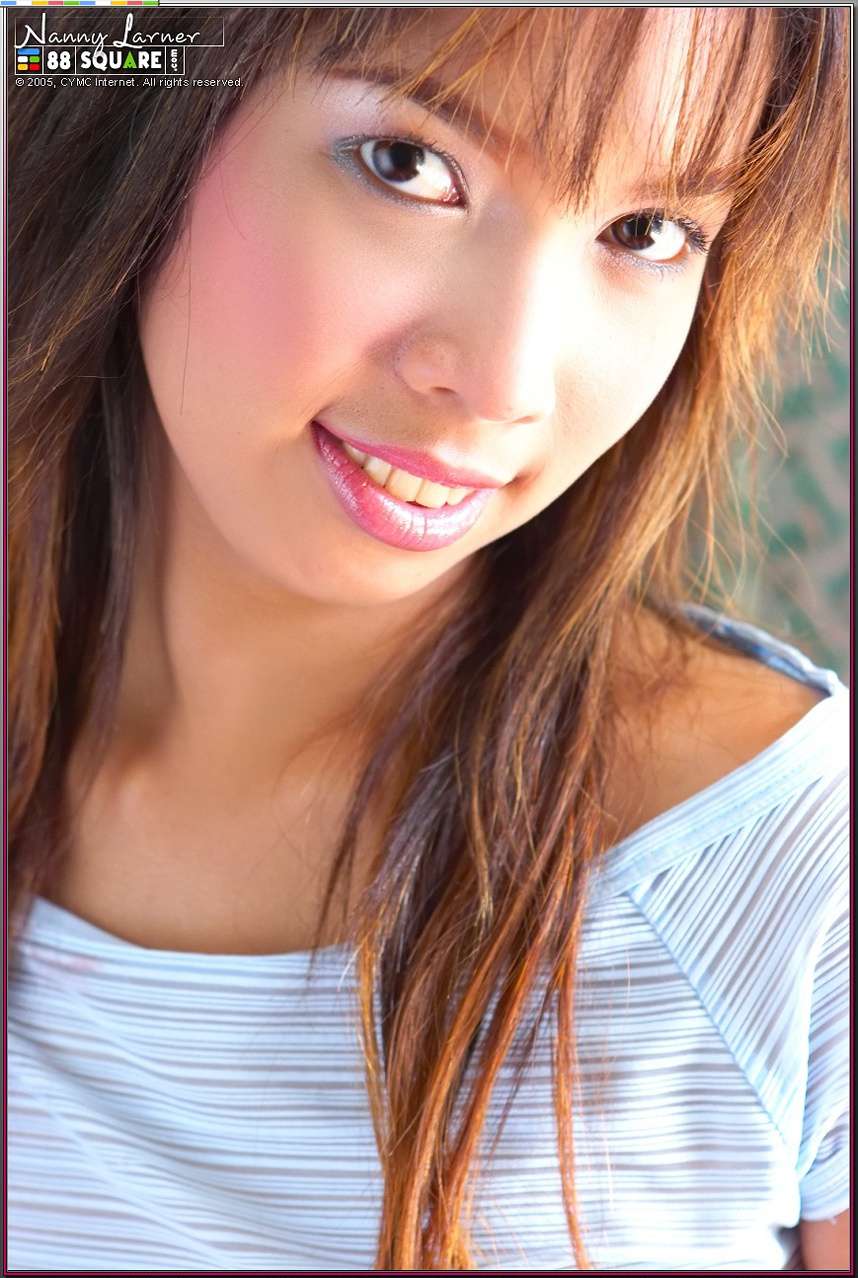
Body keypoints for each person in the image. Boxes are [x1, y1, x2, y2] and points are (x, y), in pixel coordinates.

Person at [7, 6, 849, 1271]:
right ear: (143, 104)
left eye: (646, 233)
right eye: (408, 165)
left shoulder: (791, 872)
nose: (508, 381)